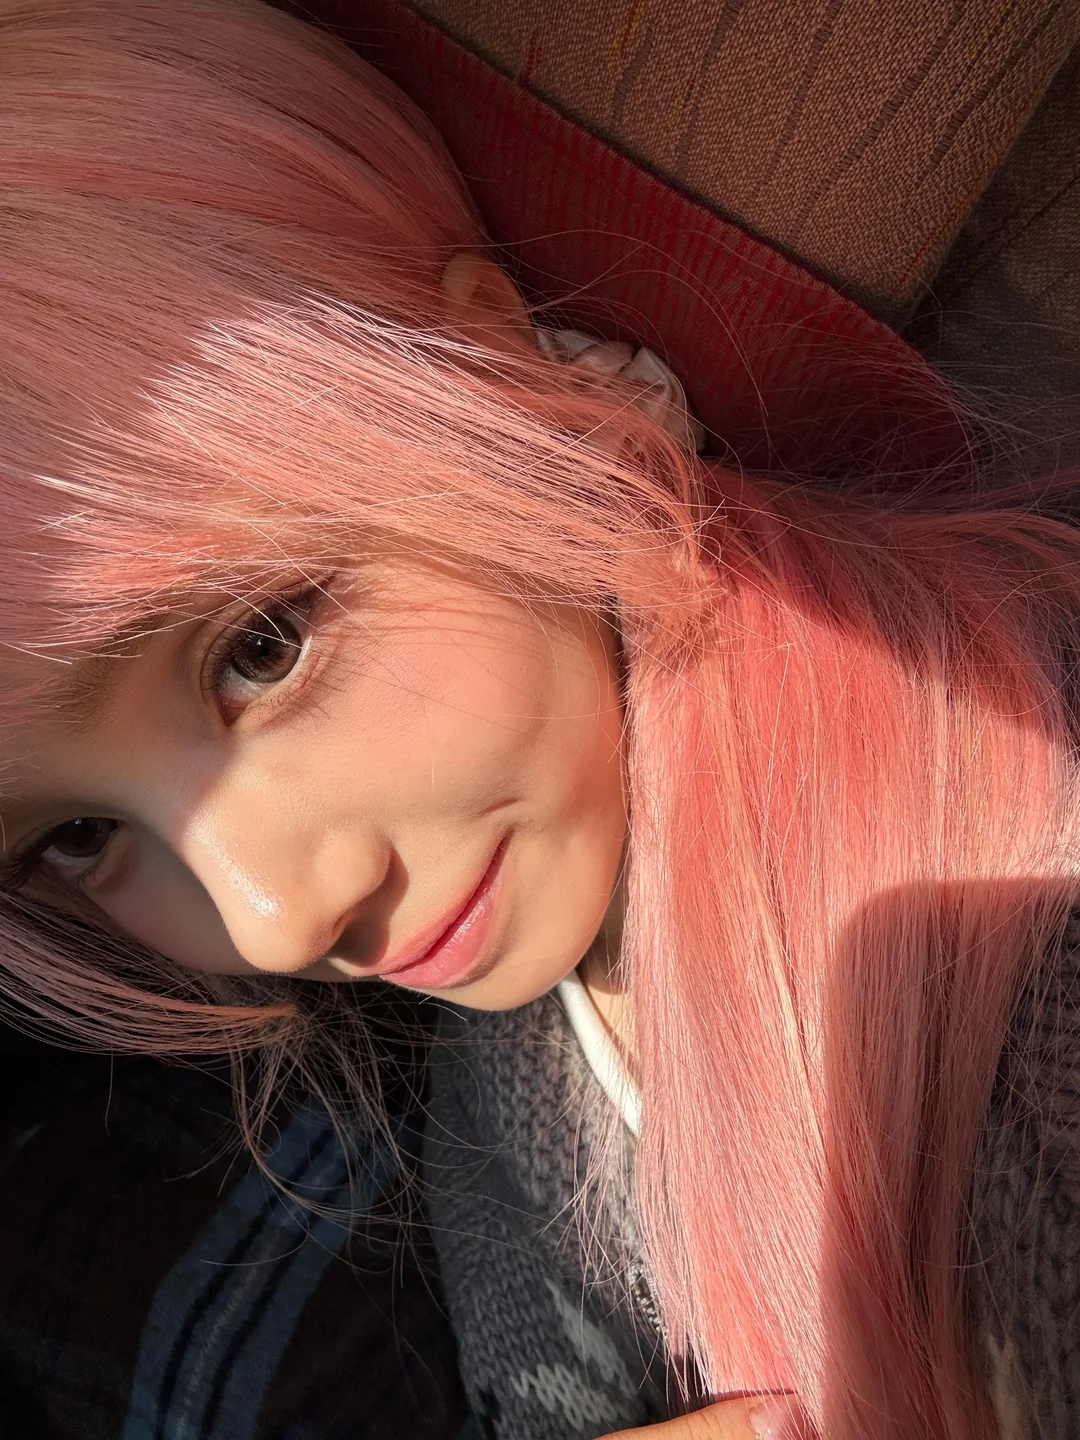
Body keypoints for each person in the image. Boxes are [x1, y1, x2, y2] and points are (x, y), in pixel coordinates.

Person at [0, 2, 1078, 1437]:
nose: (274, 920)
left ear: (486, 367)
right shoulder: (497, 1149)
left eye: (262, 647)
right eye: (77, 837)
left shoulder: (1013, 864)